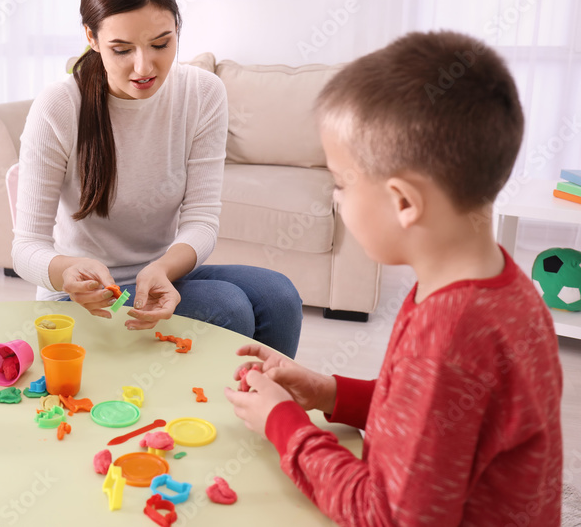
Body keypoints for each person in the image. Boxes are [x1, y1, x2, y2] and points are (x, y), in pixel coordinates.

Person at [225, 31, 562, 525]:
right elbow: (432, 421)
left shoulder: (450, 333)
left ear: (403, 201)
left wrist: (284, 424)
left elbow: (387, 515)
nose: (336, 198)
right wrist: (328, 392)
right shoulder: (501, 286)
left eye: (340, 183)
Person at [11, 0, 303, 357]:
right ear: (92, 38)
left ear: (177, 28)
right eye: (122, 49)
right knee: (227, 308)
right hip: (86, 297)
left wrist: (164, 268)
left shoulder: (202, 93)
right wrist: (65, 271)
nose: (144, 67)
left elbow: (201, 219)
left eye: (160, 44)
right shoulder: (59, 106)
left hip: (160, 275)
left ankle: (266, 397)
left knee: (279, 296)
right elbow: (25, 247)